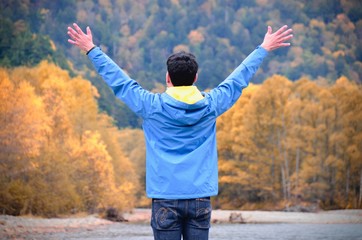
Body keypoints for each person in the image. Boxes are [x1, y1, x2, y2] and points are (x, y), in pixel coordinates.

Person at [67, 23, 293, 240]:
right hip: (199, 198)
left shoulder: (151, 107)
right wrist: (263, 48)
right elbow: (237, 80)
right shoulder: (211, 105)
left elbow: (121, 82)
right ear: (195, 78)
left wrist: (91, 49)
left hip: (165, 198)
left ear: (168, 79)